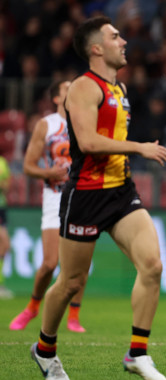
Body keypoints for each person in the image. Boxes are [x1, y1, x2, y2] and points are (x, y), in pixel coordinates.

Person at [30, 16, 166, 380]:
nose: (123, 41)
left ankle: (137, 353)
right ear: (96, 48)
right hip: (87, 194)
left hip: (121, 191)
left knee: (153, 266)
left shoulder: (119, 88)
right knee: (72, 282)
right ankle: (45, 350)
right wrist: (139, 147)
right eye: (115, 36)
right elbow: (89, 142)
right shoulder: (82, 87)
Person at [10, 80, 89, 332]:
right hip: (55, 197)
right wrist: (48, 172)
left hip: (82, 196)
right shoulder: (47, 125)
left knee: (80, 264)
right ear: (56, 98)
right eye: (67, 89)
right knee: (50, 263)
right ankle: (32, 307)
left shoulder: (86, 121)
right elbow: (28, 165)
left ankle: (74, 317)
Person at [0, 155, 13, 299]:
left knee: (4, 245)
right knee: (4, 243)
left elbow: (6, 186)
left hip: (1, 207)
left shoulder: (2, 162)